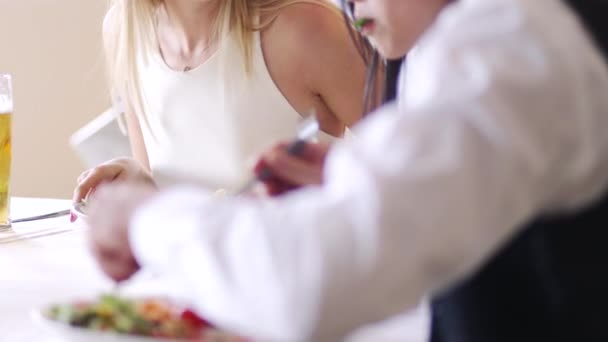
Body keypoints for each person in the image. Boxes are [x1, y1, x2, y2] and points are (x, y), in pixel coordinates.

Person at [86, 0, 608, 341]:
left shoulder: (507, 50)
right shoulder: (443, 49)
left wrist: (146, 219)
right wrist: (356, 174)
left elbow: (305, 287)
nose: (344, 5)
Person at [72, 0, 371, 202]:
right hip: (185, 286)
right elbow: (169, 196)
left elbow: (410, 169)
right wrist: (139, 184)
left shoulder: (305, 28)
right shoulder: (125, 30)